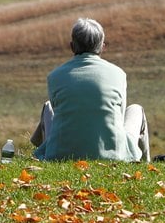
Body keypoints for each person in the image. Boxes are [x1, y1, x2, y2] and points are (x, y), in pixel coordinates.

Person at [31, 18, 150, 162]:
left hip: (61, 156)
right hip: (112, 154)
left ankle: (44, 149)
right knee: (136, 109)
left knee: (48, 106)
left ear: (72, 46)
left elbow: (58, 115)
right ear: (102, 47)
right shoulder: (118, 74)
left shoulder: (55, 76)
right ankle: (145, 163)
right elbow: (119, 115)